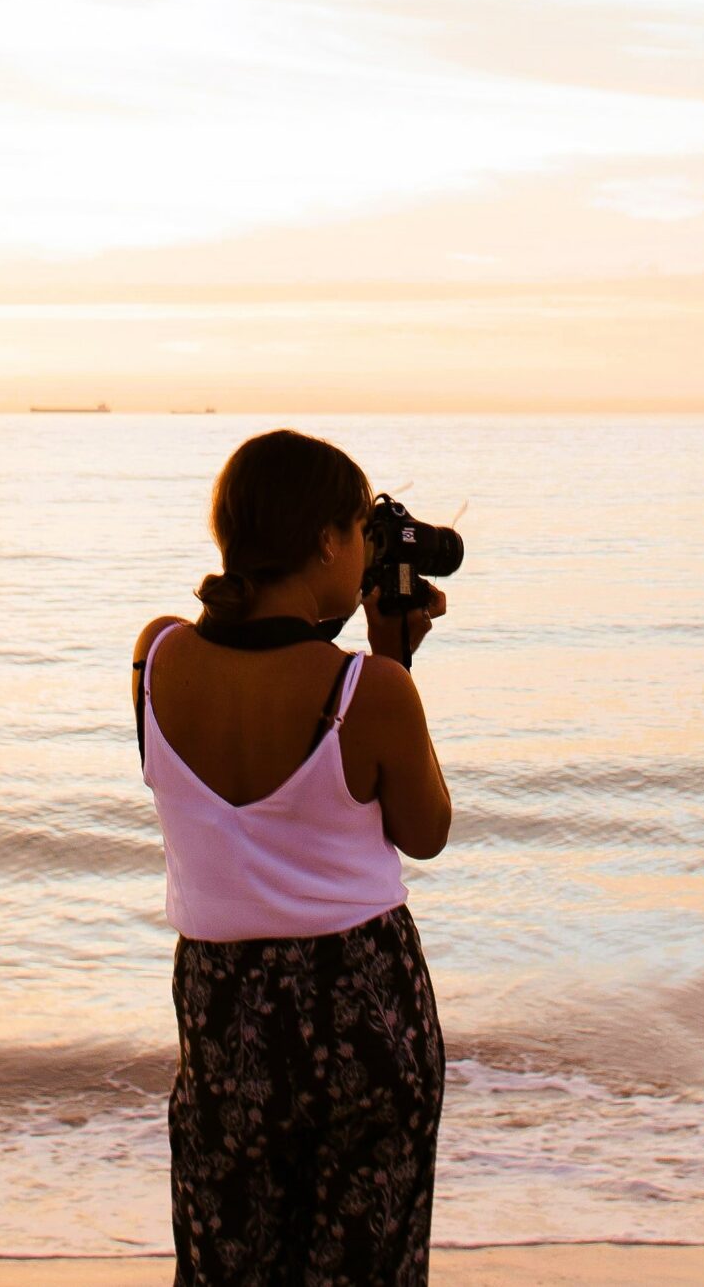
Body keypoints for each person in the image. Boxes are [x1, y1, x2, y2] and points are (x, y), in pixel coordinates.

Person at [132, 428, 453, 1286]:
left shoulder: (156, 657)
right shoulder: (366, 690)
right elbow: (425, 831)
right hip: (365, 1008)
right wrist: (391, 658)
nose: (364, 550)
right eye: (358, 530)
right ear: (323, 541)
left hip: (222, 1012)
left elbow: (239, 644)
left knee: (226, 1265)